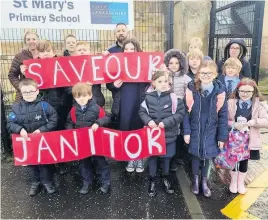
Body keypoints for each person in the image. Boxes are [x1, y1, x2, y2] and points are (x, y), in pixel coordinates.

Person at [183, 60, 228, 198]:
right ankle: (195, 180)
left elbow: (223, 115)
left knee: (207, 156)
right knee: (196, 155)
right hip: (195, 128)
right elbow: (185, 112)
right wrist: (186, 131)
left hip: (211, 129)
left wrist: (221, 136)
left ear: (215, 74)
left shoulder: (220, 92)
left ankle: (204, 181)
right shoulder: (191, 89)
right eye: (203, 72)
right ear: (198, 74)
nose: (206, 75)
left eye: (209, 73)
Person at [7, 78, 58, 196]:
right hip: (27, 142)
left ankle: (47, 182)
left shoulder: (45, 106)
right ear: (21, 93)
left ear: (37, 91)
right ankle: (35, 182)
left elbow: (54, 119)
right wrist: (20, 130)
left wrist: (42, 130)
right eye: (25, 92)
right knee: (31, 164)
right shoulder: (16, 108)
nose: (28, 94)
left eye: (31, 91)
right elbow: (10, 123)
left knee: (45, 163)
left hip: (42, 141)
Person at [139, 70, 185, 197]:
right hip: (153, 137)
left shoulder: (174, 97)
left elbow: (180, 114)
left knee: (166, 159)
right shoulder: (148, 97)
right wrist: (149, 121)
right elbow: (142, 112)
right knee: (153, 158)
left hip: (169, 136)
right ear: (153, 83)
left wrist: (166, 122)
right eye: (160, 82)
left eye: (165, 81)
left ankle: (165, 178)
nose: (163, 84)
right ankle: (152, 180)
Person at [107, 38, 148, 173]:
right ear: (123, 51)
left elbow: (151, 81)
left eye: (132, 49)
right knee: (126, 127)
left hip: (140, 101)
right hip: (123, 101)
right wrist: (114, 85)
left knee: (139, 127)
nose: (129, 51)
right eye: (126, 49)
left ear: (137, 50)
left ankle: (140, 157)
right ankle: (130, 156)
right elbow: (108, 83)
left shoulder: (144, 63)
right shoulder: (117, 64)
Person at [65, 82, 111, 195]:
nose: (81, 99)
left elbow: (107, 117)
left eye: (84, 96)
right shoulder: (73, 110)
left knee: (100, 162)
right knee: (84, 163)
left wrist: (98, 123)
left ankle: (105, 182)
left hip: (96, 142)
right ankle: (87, 181)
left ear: (90, 96)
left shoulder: (96, 108)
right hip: (82, 142)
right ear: (74, 97)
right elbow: (69, 122)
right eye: (78, 96)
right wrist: (70, 131)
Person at [228, 78, 268, 194]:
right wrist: (233, 124)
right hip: (234, 137)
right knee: (234, 161)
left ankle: (240, 183)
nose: (245, 94)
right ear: (237, 91)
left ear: (253, 92)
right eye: (242, 91)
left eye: (248, 92)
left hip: (249, 139)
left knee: (244, 161)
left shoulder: (259, 104)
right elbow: (224, 120)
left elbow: (266, 121)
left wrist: (254, 122)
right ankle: (233, 182)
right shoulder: (231, 103)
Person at [163, 49, 192, 171]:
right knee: (168, 135)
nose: (174, 65)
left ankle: (175, 159)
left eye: (176, 63)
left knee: (179, 135)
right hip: (166, 110)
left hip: (180, 109)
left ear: (181, 64)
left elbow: (190, 94)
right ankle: (165, 159)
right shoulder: (164, 76)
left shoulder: (186, 78)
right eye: (171, 63)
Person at [8, 30, 39, 102]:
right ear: (25, 42)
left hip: (43, 93)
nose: (31, 41)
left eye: (34, 39)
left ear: (38, 40)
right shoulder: (19, 56)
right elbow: (12, 75)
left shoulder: (43, 55)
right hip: (25, 95)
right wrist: (21, 87)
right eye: (28, 39)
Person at [74, 41, 105, 107]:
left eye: (84, 50)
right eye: (79, 50)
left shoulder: (96, 64)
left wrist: (105, 57)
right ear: (75, 52)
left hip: (96, 100)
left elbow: (106, 74)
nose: (82, 52)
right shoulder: (72, 66)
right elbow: (67, 87)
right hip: (79, 101)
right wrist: (81, 86)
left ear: (89, 52)